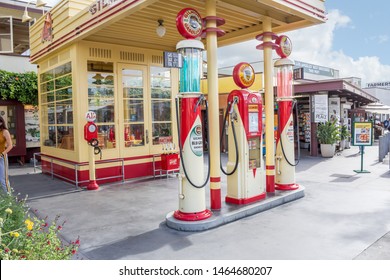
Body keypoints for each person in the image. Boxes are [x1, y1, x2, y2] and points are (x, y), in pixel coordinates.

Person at [0, 116, 13, 193]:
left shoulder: (5, 132)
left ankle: (9, 199)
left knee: (3, 179)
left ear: (1, 123)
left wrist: (2, 154)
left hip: (1, 157)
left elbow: (10, 145)